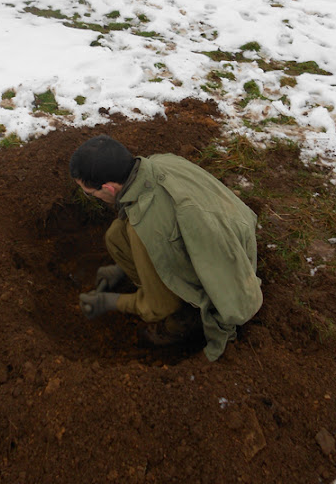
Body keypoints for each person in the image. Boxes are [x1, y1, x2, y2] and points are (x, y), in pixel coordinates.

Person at [70, 135, 263, 362]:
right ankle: (152, 279)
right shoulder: (160, 162)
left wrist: (110, 302)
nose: (91, 197)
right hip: (228, 239)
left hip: (228, 289)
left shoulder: (147, 228)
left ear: (109, 189)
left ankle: (188, 316)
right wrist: (122, 269)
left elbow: (161, 306)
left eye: (89, 193)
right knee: (115, 235)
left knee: (167, 314)